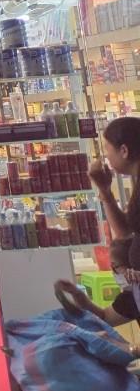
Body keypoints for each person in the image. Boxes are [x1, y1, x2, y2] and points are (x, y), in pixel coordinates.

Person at [56, 116, 140, 328]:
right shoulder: (133, 296)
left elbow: (125, 234)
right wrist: (104, 190)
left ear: (124, 150)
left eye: (107, 149)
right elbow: (125, 231)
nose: (105, 156)